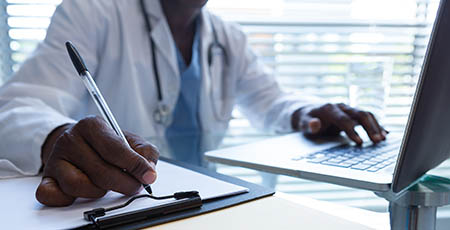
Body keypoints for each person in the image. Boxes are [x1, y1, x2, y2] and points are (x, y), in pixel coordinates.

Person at [0, 0, 386, 207]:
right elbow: (18, 106)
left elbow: (271, 100)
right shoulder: (93, 11)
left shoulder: (226, 35)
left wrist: (307, 113)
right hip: (129, 203)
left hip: (212, 199)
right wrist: (57, 137)